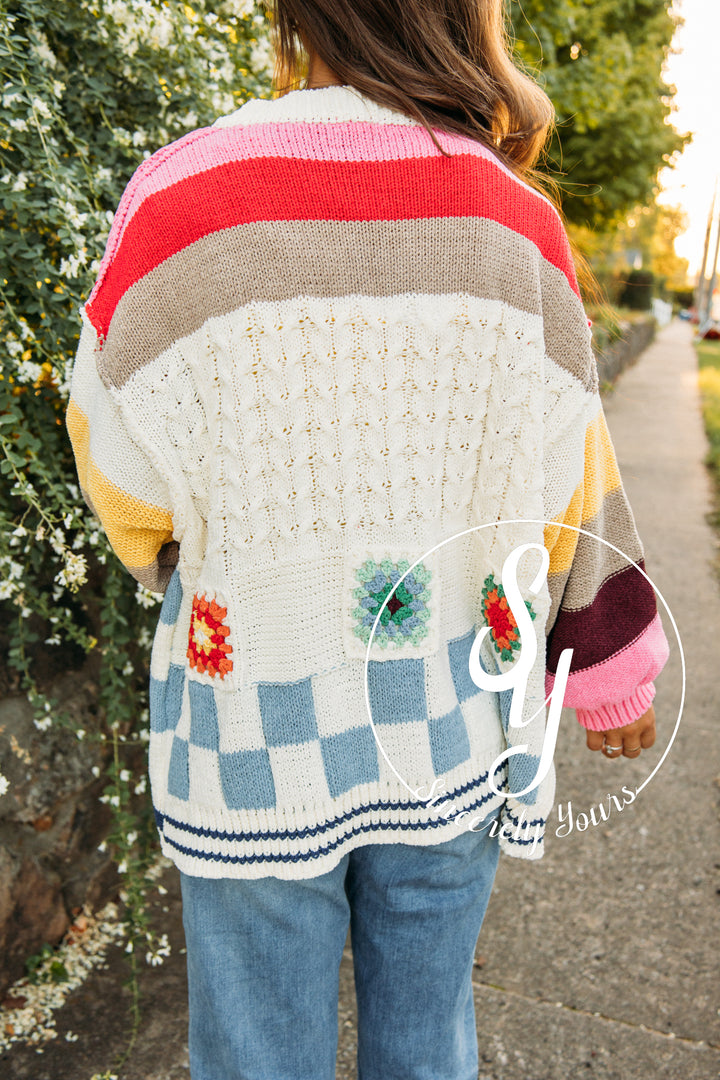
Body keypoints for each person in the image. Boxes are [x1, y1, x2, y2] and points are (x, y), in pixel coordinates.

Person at [65, 1, 670, 1077]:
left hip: (252, 729)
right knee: (426, 1045)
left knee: (255, 1056)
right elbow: (574, 472)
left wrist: (191, 554)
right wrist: (610, 667)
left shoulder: (181, 199)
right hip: (449, 726)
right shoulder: (512, 223)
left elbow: (120, 466)